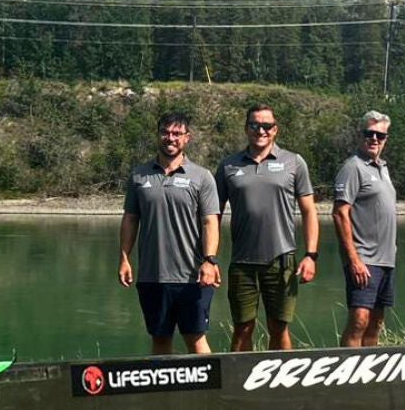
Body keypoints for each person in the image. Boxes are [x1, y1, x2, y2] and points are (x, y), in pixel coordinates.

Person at [215, 104, 318, 351]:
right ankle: (240, 384)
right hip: (242, 262)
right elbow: (212, 215)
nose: (260, 130)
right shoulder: (229, 166)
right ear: (246, 128)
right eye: (254, 125)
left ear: (276, 130)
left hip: (282, 260)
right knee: (242, 327)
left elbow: (309, 211)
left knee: (279, 326)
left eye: (266, 126)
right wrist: (209, 258)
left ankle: (283, 385)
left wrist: (311, 255)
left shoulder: (294, 162)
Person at [119, 112, 221, 355]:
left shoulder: (202, 176)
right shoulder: (139, 175)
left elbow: (210, 222)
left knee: (196, 340)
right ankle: (165, 393)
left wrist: (209, 261)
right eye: (165, 132)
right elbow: (131, 219)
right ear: (158, 135)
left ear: (187, 138)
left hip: (193, 277)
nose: (170, 138)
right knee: (160, 340)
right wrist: (124, 258)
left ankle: (207, 393)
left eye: (177, 133)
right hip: (152, 276)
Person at [332, 110, 397, 347]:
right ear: (361, 135)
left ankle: (369, 374)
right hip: (364, 259)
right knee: (359, 319)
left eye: (380, 135)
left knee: (376, 321)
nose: (374, 139)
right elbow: (340, 214)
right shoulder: (353, 167)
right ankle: (346, 373)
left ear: (386, 139)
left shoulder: (382, 168)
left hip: (386, 260)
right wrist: (354, 259)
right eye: (369, 133)